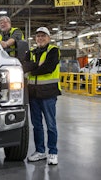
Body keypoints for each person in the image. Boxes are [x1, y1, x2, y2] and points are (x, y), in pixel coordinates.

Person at [22, 27, 61, 165]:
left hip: (49, 93)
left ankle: (53, 152)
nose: (40, 38)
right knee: (36, 125)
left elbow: (49, 68)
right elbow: (24, 66)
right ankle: (40, 151)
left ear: (48, 38)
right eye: (38, 36)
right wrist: (36, 65)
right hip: (33, 94)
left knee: (51, 124)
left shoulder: (53, 51)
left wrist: (34, 69)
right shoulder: (31, 52)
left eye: (43, 36)